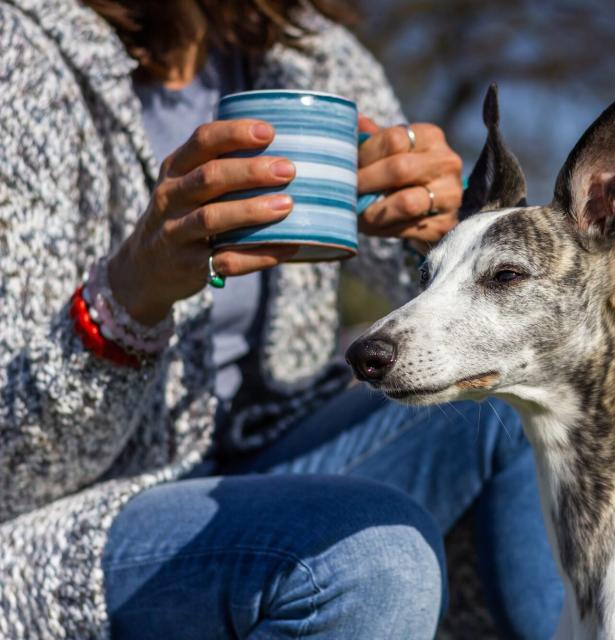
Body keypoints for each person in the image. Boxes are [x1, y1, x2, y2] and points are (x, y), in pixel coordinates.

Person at [0, 0, 564, 638]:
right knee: (370, 560)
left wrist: (437, 230)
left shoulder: (313, 54)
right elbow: (13, 474)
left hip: (273, 461)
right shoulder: (20, 54)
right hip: (71, 521)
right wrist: (127, 296)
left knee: (515, 387)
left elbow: (407, 269)